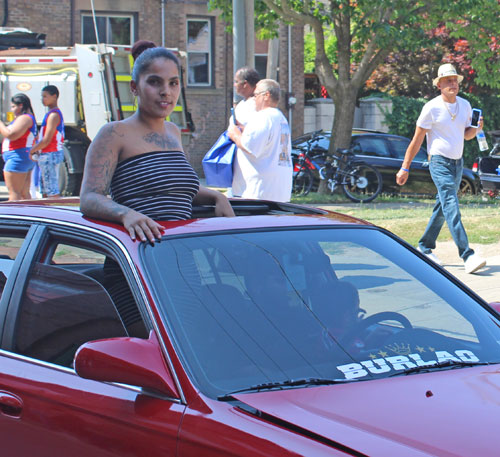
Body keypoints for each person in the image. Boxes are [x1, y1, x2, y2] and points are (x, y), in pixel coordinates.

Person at [79, 47, 234, 243]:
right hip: (137, 256)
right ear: (134, 87)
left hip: (177, 252)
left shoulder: (173, 132)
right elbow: (89, 198)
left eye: (173, 83)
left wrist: (217, 197)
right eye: (154, 82)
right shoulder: (114, 133)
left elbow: (173, 187)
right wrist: (126, 214)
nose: (165, 92)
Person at [396, 63, 486, 274]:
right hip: (439, 162)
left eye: (455, 80)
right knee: (451, 204)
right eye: (448, 81)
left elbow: (466, 135)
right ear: (439, 85)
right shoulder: (431, 108)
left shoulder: (465, 105)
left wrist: (476, 127)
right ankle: (467, 254)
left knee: (443, 205)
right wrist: (404, 167)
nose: (452, 84)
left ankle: (425, 247)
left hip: (458, 162)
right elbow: (417, 140)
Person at [228, 79, 293, 202]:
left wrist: (234, 133)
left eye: (256, 95)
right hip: (277, 190)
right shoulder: (280, 117)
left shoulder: (263, 117)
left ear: (266, 95)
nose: (253, 99)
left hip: (257, 191)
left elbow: (249, 147)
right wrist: (245, 129)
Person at [225, 66, 260, 196]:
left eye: (236, 81)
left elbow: (255, 133)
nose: (234, 85)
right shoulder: (242, 104)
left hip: (249, 168)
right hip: (239, 166)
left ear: (245, 84)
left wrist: (235, 132)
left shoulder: (254, 105)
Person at [0, 93, 37, 200]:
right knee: (23, 194)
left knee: (14, 193)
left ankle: (11, 215)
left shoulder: (24, 118)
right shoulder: (27, 118)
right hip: (22, 156)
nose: (11, 110)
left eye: (13, 106)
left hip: (17, 157)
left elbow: (11, 135)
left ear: (21, 106)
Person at [30, 85, 65, 198]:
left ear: (54, 97)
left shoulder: (54, 115)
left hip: (51, 153)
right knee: (45, 189)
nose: (42, 99)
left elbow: (47, 139)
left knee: (52, 190)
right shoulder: (50, 114)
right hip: (48, 153)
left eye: (45, 96)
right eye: (42, 96)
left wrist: (32, 150)